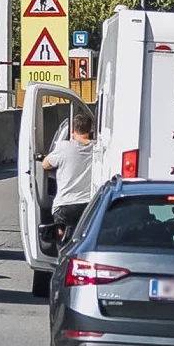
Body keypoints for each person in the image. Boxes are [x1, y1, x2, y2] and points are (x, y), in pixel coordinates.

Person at [43, 103, 100, 248]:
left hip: (64, 206)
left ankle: (64, 267)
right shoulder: (97, 148)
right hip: (88, 205)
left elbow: (46, 164)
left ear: (73, 130)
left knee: (63, 246)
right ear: (90, 129)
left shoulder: (64, 147)